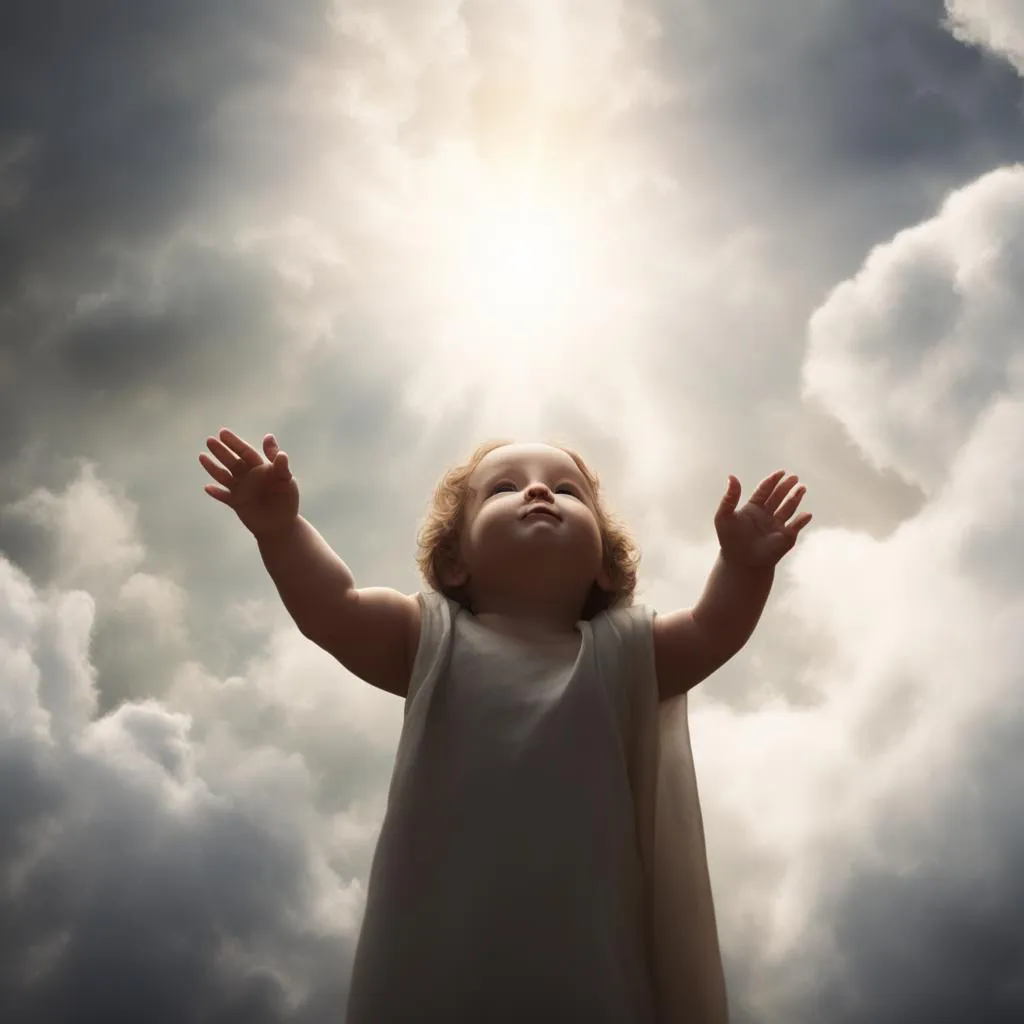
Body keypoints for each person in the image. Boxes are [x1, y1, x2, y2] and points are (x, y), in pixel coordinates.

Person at [200, 427, 812, 1023]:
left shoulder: (627, 652)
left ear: (604, 567)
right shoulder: (428, 636)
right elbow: (332, 608)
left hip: (590, 956)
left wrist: (744, 567)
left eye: (567, 491)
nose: (540, 492)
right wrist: (281, 530)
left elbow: (711, 631)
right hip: (445, 952)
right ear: (455, 561)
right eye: (504, 489)